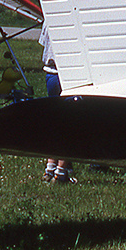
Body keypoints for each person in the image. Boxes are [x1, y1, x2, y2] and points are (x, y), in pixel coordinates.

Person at [38, 26, 74, 184]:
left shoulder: (49, 19)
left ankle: (50, 168)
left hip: (51, 74)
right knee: (70, 123)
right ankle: (61, 171)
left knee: (56, 121)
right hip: (69, 74)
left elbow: (44, 42)